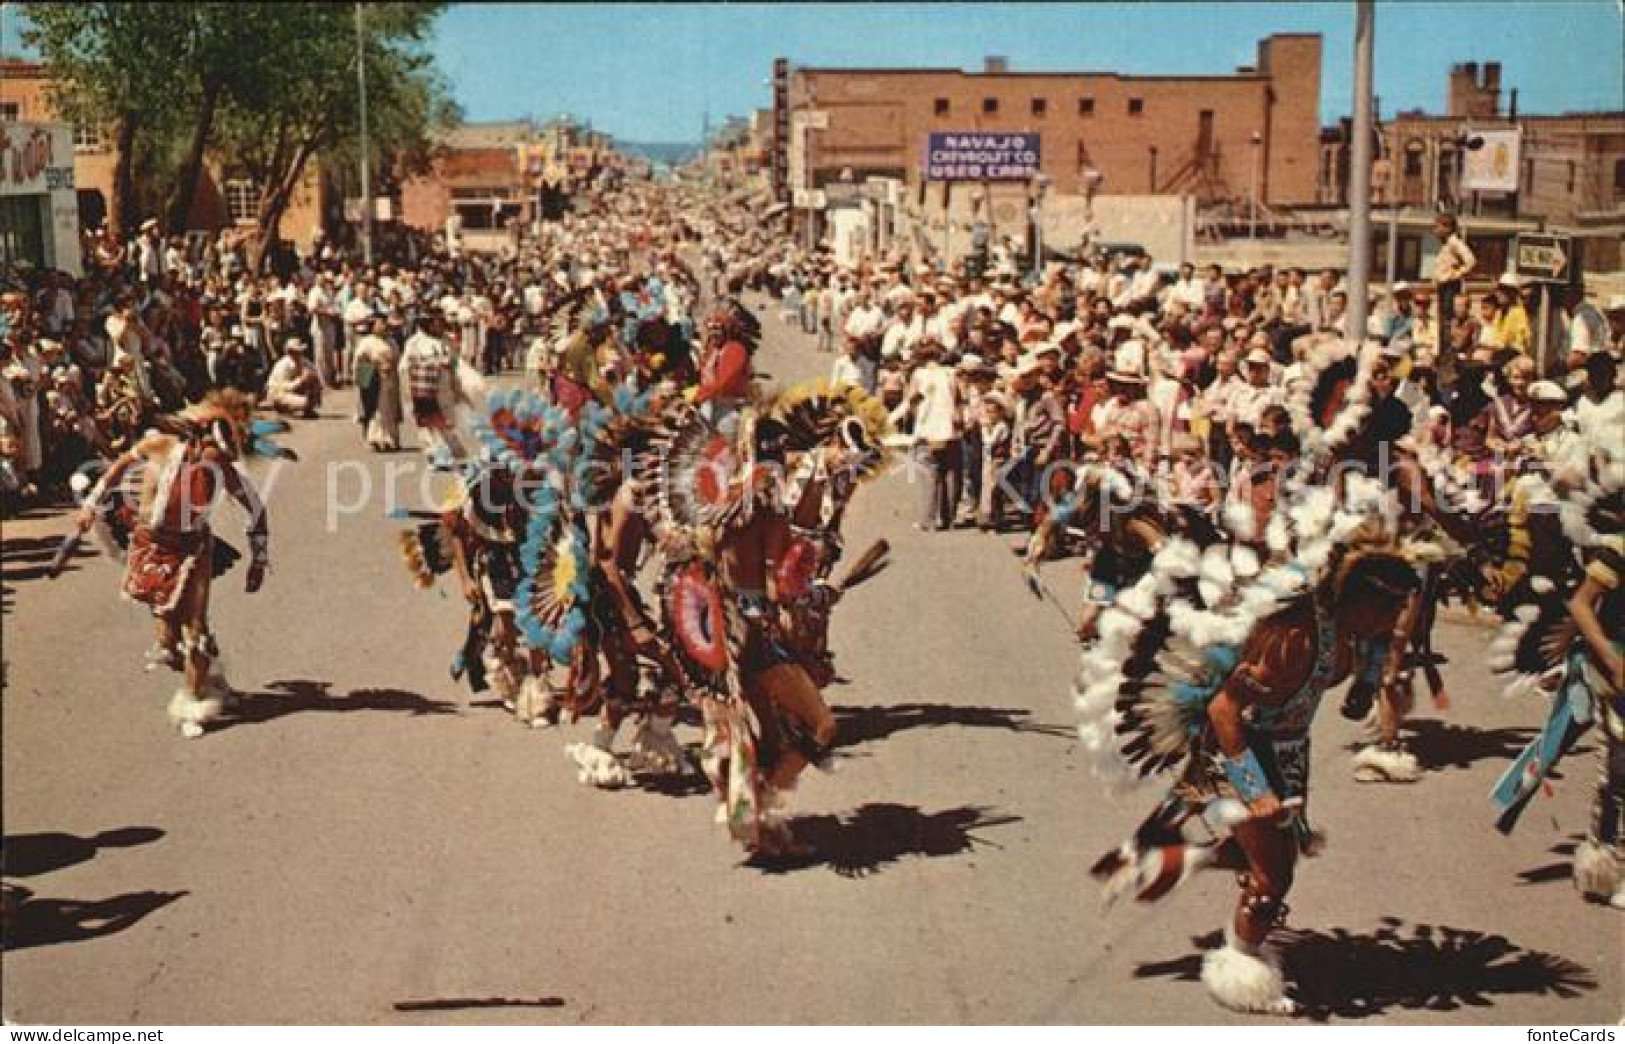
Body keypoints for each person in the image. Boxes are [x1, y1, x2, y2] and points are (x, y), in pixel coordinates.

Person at [71, 390, 277, 738]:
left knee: (193, 628)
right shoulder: (158, 447)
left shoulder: (214, 461)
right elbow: (119, 468)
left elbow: (254, 506)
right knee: (168, 640)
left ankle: (194, 701)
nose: (202, 442)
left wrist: (259, 558)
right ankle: (212, 678)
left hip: (193, 550)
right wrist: (91, 504)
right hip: (151, 545)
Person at [1431, 213, 1475, 371]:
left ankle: (1448, 357)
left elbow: (1470, 260)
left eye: (1438, 226)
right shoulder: (1446, 245)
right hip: (1443, 286)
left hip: (1450, 286)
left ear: (1447, 227)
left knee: (1449, 321)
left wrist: (1455, 274)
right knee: (1443, 321)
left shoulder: (1454, 243)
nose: (1435, 230)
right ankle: (1443, 355)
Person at [352, 317, 402, 451]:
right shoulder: (366, 342)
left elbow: (397, 357)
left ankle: (390, 440)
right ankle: (373, 439)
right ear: (373, 327)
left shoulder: (391, 341)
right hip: (374, 379)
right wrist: (373, 369)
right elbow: (359, 361)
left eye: (385, 324)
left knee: (389, 410)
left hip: (390, 379)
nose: (383, 327)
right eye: (380, 324)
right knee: (373, 409)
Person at [264, 338, 323, 418]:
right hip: (277, 392)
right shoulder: (282, 365)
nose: (298, 353)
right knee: (304, 402)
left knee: (313, 380)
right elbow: (281, 387)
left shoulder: (304, 361)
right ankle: (282, 407)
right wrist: (300, 380)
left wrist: (312, 379)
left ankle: (308, 409)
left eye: (299, 351)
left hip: (294, 389)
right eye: (295, 351)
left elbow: (315, 374)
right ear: (289, 352)